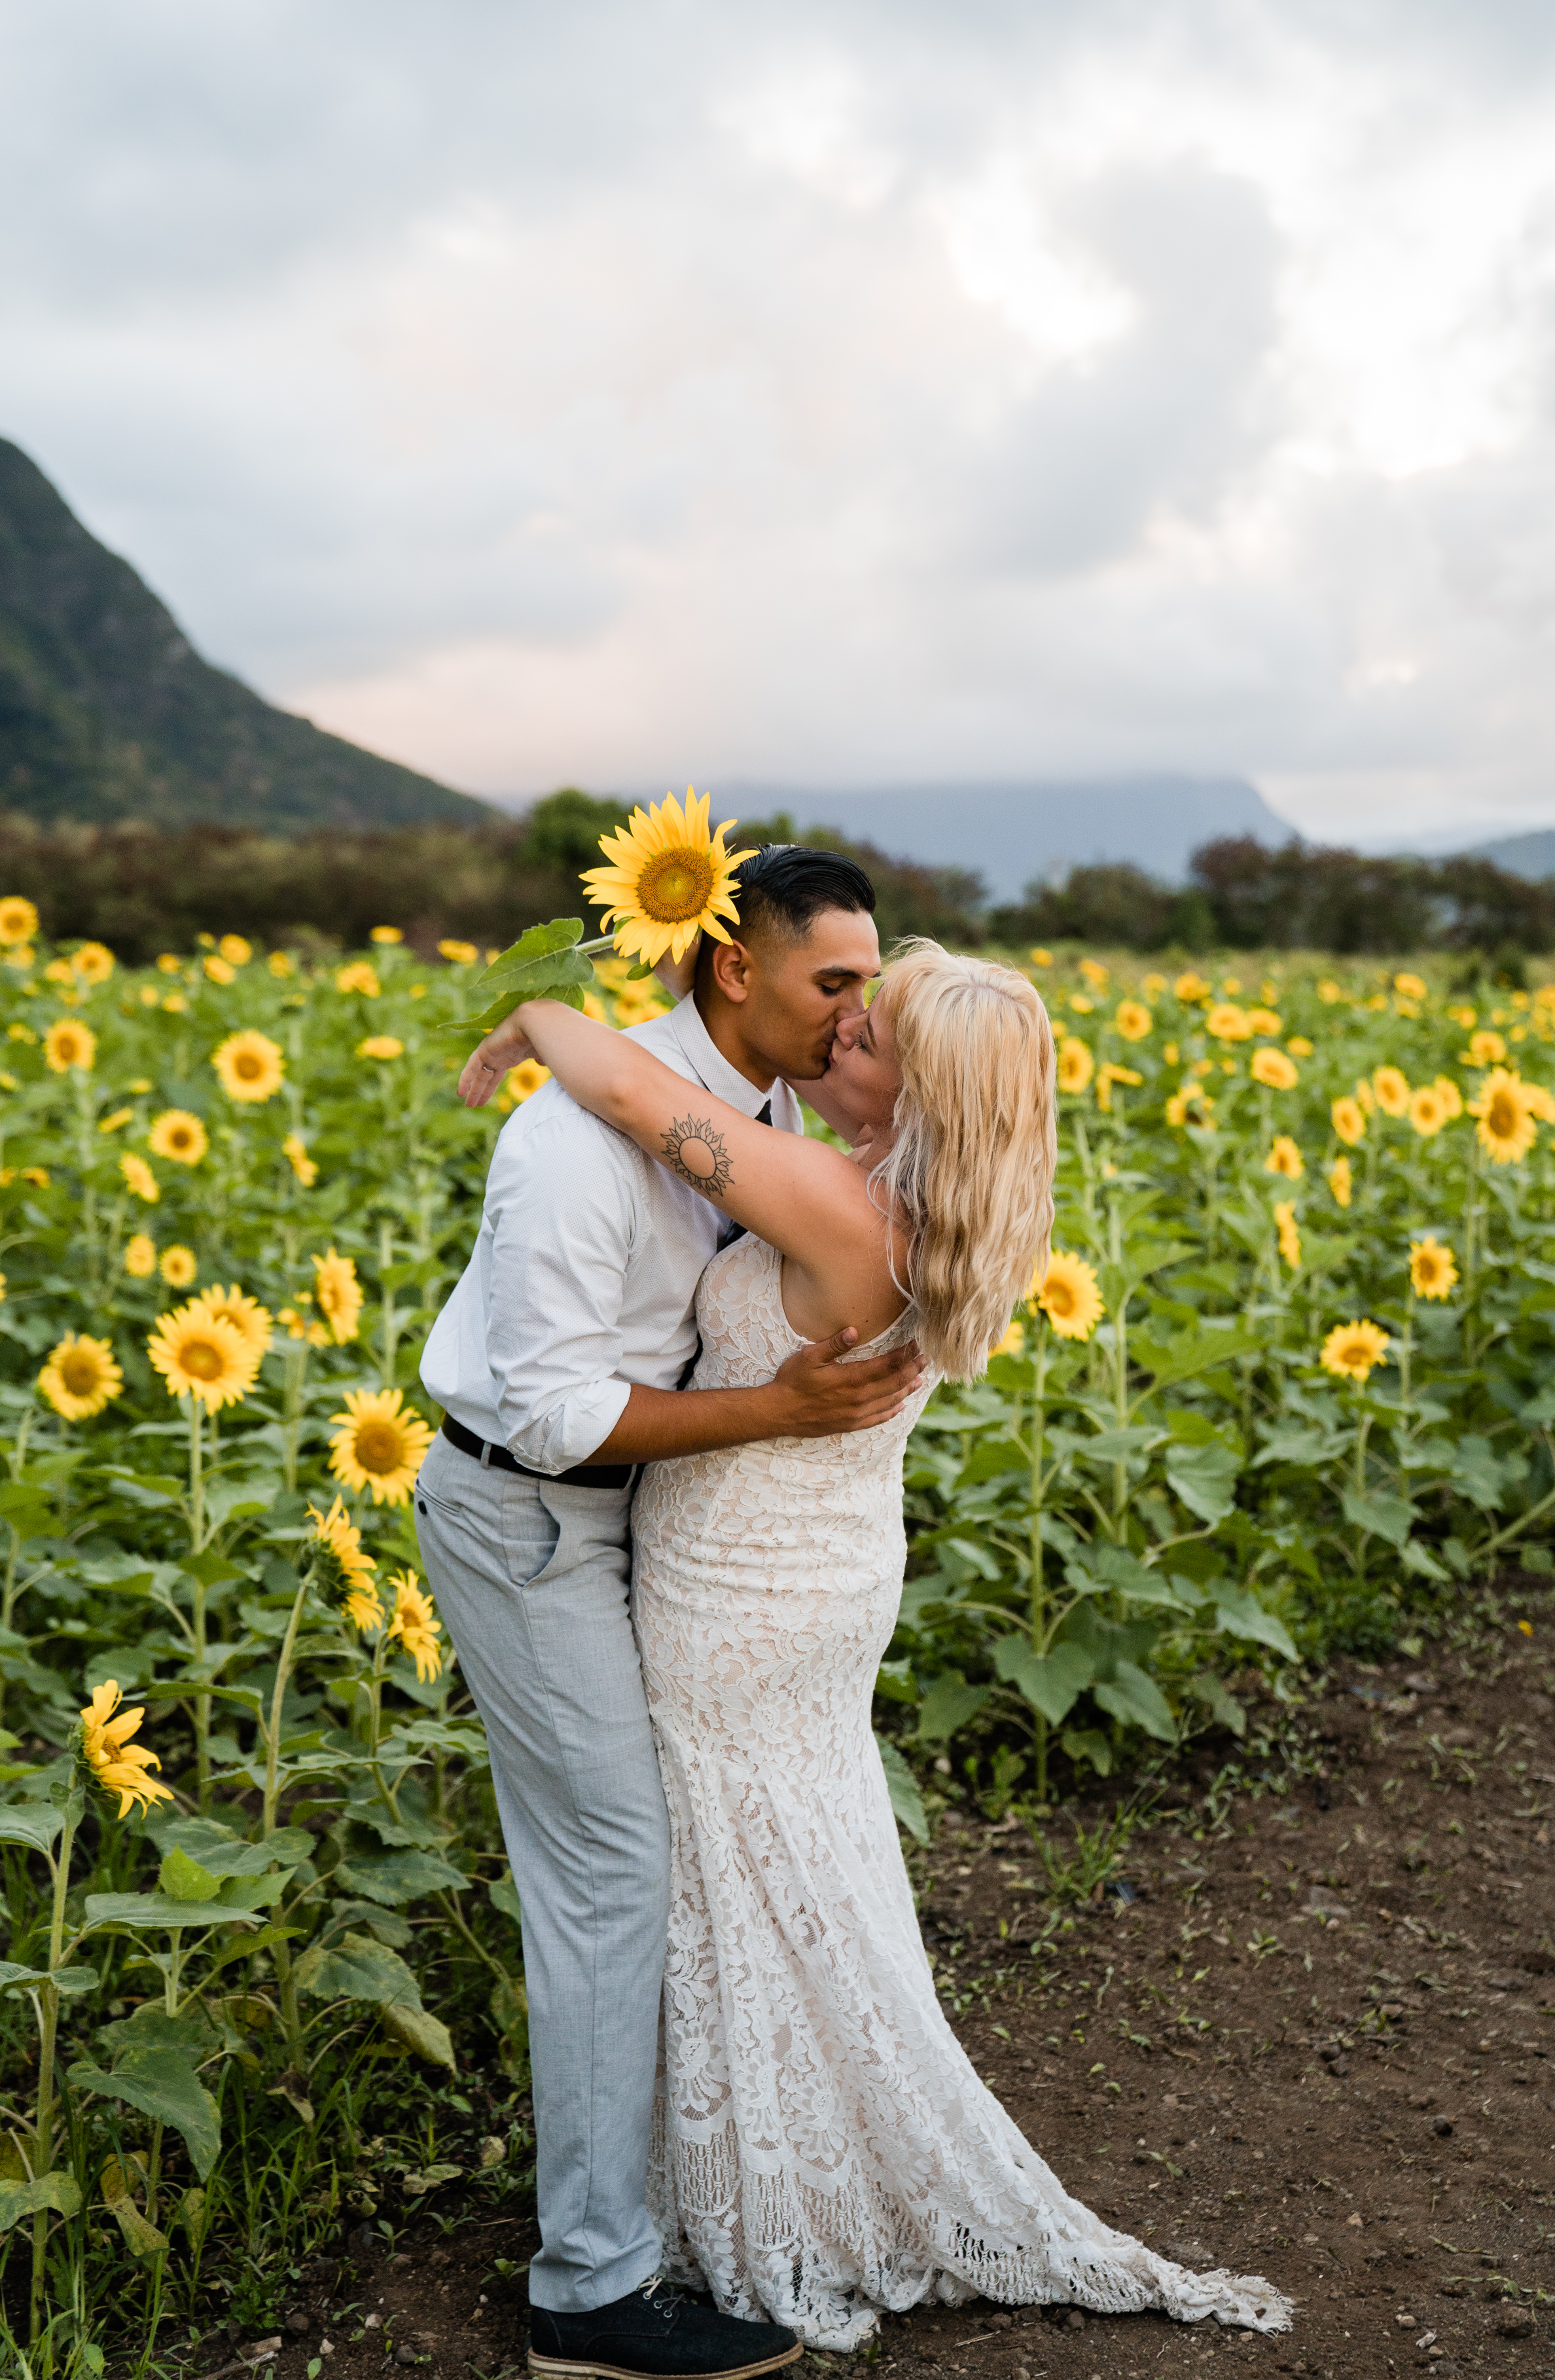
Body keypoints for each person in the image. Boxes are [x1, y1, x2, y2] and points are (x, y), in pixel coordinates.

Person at [461, 936, 1292, 2361]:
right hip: (822, 1577)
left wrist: (537, 1007)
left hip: (738, 1588)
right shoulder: (948, 1218)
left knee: (723, 1874)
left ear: (919, 1094)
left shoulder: (836, 1202)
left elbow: (617, 1078)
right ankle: (772, 2159)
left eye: (871, 1033)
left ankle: (741, 2197)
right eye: (843, 1007)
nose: (840, 1033)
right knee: (797, 1868)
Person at [415, 846, 925, 2380]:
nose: (856, 1014)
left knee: (648, 1848)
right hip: (528, 1516)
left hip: (644, 1522)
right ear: (731, 968)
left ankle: (680, 2192)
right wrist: (778, 1410)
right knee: (612, 1867)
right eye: (834, 982)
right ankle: (587, 2287)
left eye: (869, 986)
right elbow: (559, 1414)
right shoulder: (573, 1146)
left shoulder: (768, 1115)